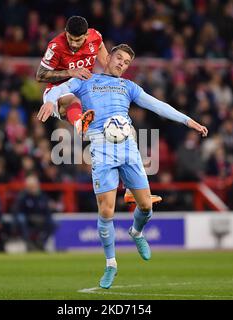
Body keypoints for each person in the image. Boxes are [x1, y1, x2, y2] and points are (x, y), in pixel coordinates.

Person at [37, 44, 208, 289]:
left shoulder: (128, 86)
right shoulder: (86, 80)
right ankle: (111, 264)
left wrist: (188, 121)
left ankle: (137, 232)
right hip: (101, 149)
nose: (121, 63)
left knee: (146, 206)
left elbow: (157, 105)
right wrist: (50, 102)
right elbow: (59, 90)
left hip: (128, 149)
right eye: (118, 58)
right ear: (108, 58)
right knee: (106, 212)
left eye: (126, 62)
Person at [36, 16, 161, 206]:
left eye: (78, 40)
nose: (74, 43)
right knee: (73, 100)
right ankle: (79, 122)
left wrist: (112, 84)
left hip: (87, 91)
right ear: (65, 33)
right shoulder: (56, 46)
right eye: (70, 38)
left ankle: (132, 190)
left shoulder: (96, 37)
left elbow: (106, 63)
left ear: (86, 35)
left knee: (128, 130)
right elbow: (41, 75)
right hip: (59, 92)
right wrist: (70, 73)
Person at [12, 174, 57, 251]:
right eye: (31, 186)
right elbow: (16, 210)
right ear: (27, 186)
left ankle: (41, 242)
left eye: (35, 185)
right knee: (21, 219)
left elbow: (47, 211)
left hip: (40, 218)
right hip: (28, 218)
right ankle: (28, 243)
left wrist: (46, 218)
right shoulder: (22, 196)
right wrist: (30, 217)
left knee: (53, 223)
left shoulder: (42, 196)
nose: (33, 187)